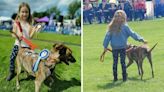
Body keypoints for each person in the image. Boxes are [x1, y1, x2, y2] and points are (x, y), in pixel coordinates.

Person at [102, 10, 147, 82]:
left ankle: (115, 78)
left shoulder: (112, 26)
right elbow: (133, 34)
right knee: (123, 62)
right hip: (122, 48)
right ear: (124, 17)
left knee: (115, 63)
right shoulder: (125, 27)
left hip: (115, 48)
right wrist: (141, 39)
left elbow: (107, 37)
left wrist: (105, 47)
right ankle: (124, 78)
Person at [6, 2, 40, 81]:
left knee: (30, 59)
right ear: (19, 12)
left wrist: (34, 30)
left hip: (27, 46)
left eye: (26, 12)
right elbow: (12, 34)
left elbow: (30, 37)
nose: (24, 14)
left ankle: (31, 71)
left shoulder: (30, 24)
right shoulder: (16, 23)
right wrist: (17, 36)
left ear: (29, 13)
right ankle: (11, 72)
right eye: (23, 12)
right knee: (12, 57)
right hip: (17, 45)